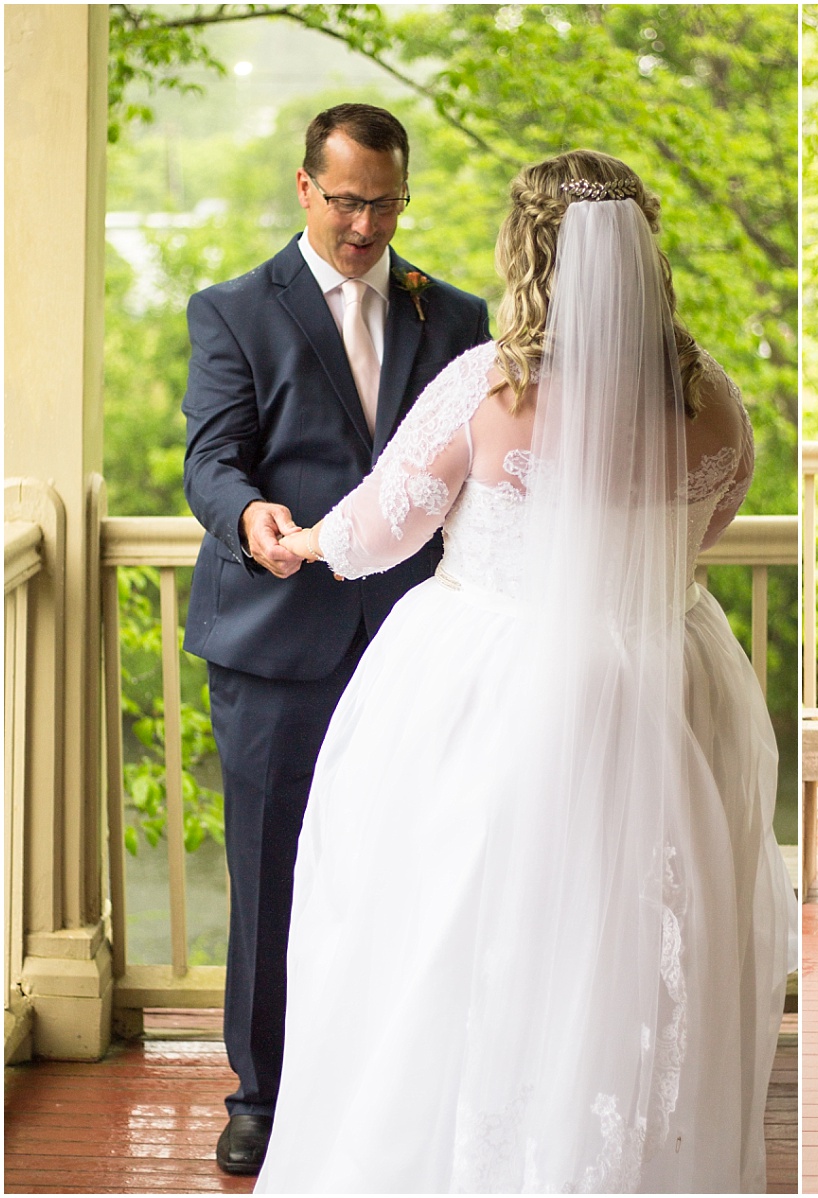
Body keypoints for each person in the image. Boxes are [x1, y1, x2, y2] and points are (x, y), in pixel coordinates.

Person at [250, 149, 795, 1192]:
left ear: (527, 249)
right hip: (668, 686)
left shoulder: (485, 384)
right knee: (633, 948)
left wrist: (302, 540)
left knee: (452, 935)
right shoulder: (713, 396)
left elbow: (377, 529)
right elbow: (706, 525)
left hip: (491, 687)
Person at [181, 102, 490, 1173]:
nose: (365, 224)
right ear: (305, 187)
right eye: (347, 199)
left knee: (409, 867)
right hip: (274, 637)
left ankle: (383, 1085)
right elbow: (212, 459)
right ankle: (262, 1096)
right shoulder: (230, 310)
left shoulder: (456, 315)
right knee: (269, 873)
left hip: (415, 638)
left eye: (385, 201)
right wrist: (247, 516)